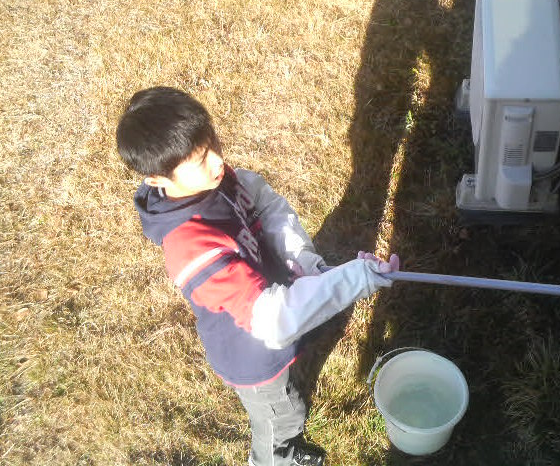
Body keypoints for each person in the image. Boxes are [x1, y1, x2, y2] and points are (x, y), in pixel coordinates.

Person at [115, 86, 399, 466]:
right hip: (253, 353)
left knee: (287, 394)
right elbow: (273, 321)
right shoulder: (190, 247)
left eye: (212, 142)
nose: (218, 160)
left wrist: (305, 263)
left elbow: (266, 206)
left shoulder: (214, 179)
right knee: (282, 416)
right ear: (157, 179)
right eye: (200, 159)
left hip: (275, 302)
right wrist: (354, 280)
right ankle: (275, 459)